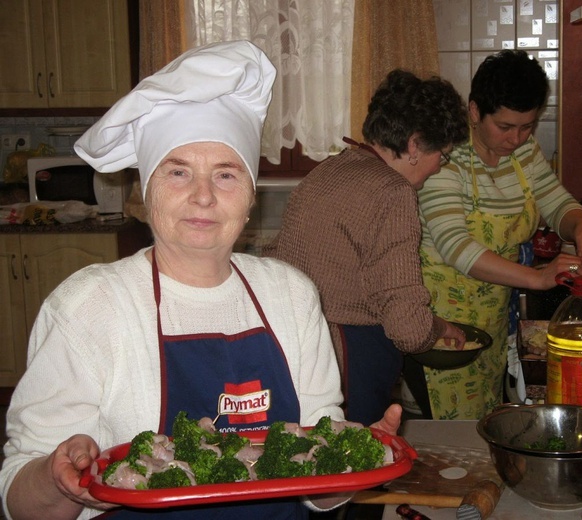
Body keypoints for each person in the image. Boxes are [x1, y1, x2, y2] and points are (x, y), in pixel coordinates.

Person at [0, 41, 402, 520]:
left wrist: (353, 462)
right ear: (146, 191)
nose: (203, 196)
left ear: (250, 196)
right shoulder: (91, 305)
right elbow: (21, 505)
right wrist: (54, 479)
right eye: (178, 172)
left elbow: (317, 489)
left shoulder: (292, 295)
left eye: (226, 175)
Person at [264, 69, 469, 426]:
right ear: (415, 145)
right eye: (443, 155)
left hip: (291, 351)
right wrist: (436, 328)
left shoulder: (329, 169)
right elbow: (408, 330)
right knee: (355, 472)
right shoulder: (393, 192)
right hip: (347, 361)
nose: (439, 167)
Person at [415, 50, 582, 420]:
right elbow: (457, 247)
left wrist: (579, 225)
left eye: (527, 126)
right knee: (450, 444)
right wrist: (537, 277)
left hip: (493, 321)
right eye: (505, 127)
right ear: (474, 111)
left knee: (484, 424)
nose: (517, 138)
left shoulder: (524, 153)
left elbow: (556, 201)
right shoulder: (445, 157)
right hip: (440, 329)